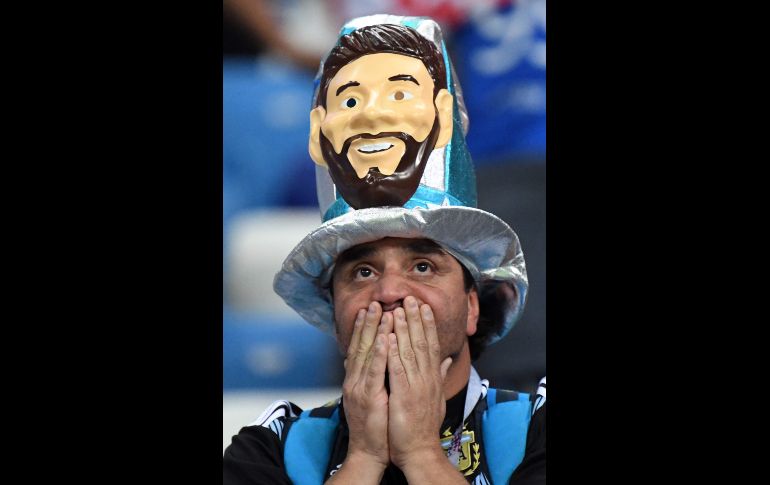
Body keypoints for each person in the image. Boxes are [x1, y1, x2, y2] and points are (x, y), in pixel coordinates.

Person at [223, 15, 545, 485]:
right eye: (363, 273)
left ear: (473, 306)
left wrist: (420, 453)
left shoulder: (535, 431)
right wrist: (364, 458)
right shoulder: (267, 451)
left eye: (422, 265)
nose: (391, 291)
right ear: (334, 312)